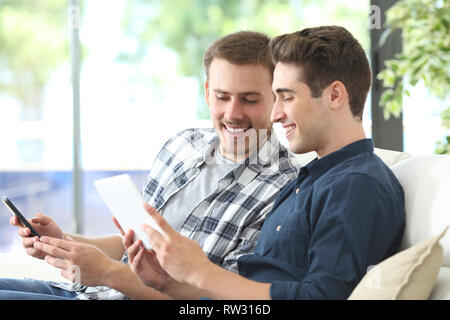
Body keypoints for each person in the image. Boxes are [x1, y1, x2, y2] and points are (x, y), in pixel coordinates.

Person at [0, 31, 298, 300]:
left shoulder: (285, 191)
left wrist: (108, 272)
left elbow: (217, 303)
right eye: (222, 97)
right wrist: (61, 242)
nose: (233, 113)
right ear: (207, 92)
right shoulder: (181, 146)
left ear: (276, 98)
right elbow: (135, 246)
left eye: (249, 100)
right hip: (89, 292)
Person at [122, 26, 406, 300]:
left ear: (334, 95)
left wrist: (202, 272)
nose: (275, 115)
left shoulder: (357, 184)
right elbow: (244, 287)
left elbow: (321, 295)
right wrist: (166, 283)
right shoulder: (309, 179)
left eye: (286, 97)